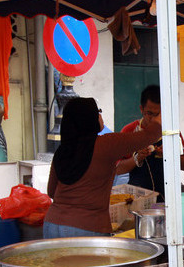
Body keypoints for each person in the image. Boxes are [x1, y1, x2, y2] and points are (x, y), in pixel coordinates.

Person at [44, 96, 162, 238]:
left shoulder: (62, 150)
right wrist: (161, 114)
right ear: (89, 118)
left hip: (52, 225)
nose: (100, 115)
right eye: (98, 111)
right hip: (86, 227)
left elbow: (52, 192)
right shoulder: (105, 144)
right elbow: (149, 135)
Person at [115, 84, 184, 202]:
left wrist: (169, 155)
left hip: (169, 198)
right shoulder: (129, 131)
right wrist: (137, 158)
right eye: (149, 113)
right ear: (141, 109)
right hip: (138, 199)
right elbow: (117, 169)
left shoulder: (172, 132)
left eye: (158, 114)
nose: (153, 119)